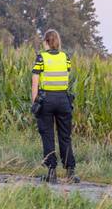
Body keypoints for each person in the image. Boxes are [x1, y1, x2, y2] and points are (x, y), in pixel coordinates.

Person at [31, 29, 79, 184]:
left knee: (48, 136)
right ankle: (70, 172)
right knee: (65, 136)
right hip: (64, 100)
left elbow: (35, 80)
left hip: (46, 100)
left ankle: (52, 173)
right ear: (58, 42)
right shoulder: (65, 57)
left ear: (46, 41)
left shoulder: (41, 57)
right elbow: (66, 72)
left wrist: (34, 101)